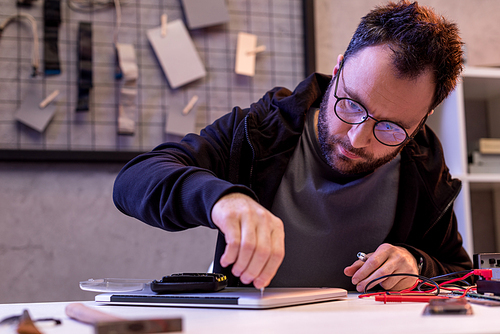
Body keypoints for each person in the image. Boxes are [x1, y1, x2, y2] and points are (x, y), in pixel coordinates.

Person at [113, 0, 472, 292]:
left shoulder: (423, 163)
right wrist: (222, 199)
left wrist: (416, 264)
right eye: (350, 104)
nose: (356, 138)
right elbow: (134, 180)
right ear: (338, 70)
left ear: (421, 121)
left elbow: (460, 271)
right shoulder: (261, 131)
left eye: (391, 129)